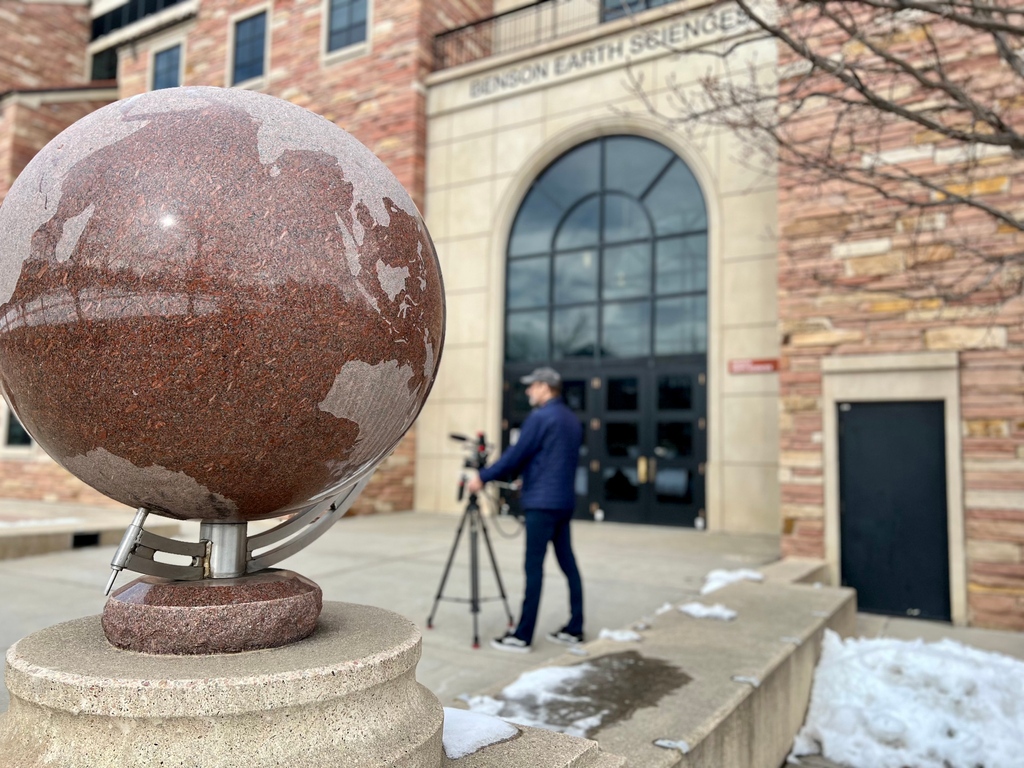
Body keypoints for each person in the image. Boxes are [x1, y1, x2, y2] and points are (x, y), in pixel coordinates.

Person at [467, 366, 584, 652]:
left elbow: (517, 455)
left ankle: (522, 635)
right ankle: (575, 628)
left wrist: (482, 477)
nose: (529, 391)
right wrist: (527, 476)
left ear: (545, 387)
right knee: (568, 563)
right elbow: (549, 459)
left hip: (542, 504)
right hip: (563, 502)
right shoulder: (570, 419)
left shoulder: (541, 417)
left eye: (533, 386)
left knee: (533, 568)